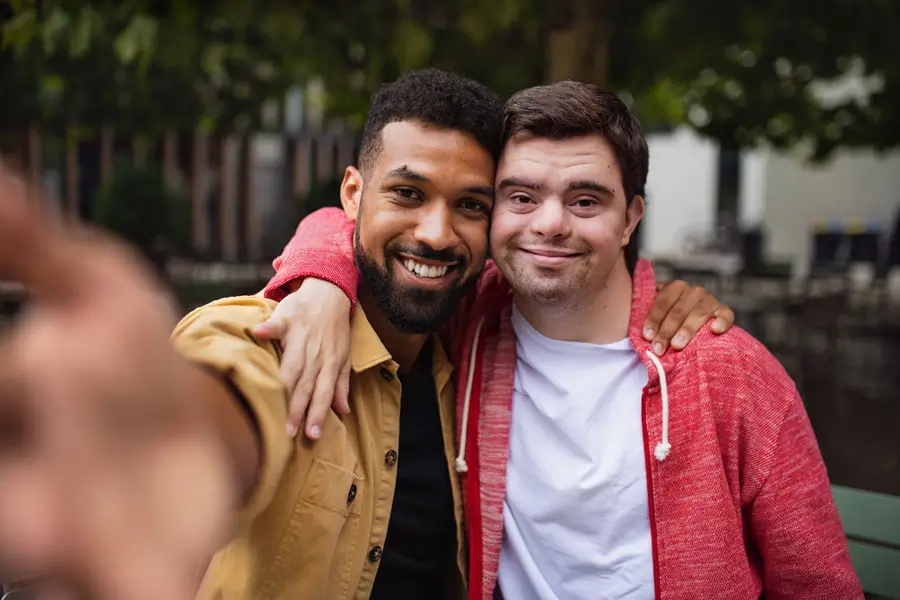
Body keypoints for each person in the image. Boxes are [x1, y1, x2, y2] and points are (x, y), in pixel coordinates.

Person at [0, 71, 728, 600]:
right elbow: (230, 391)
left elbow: (576, 273)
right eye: (407, 194)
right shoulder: (280, 335)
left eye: (471, 204)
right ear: (351, 193)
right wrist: (166, 429)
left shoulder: (477, 350)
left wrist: (656, 298)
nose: (436, 233)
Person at [258, 81, 863, 599]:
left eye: (585, 200)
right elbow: (364, 222)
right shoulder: (469, 324)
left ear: (630, 218)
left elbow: (820, 586)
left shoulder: (727, 372)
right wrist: (321, 282)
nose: (550, 223)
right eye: (520, 197)